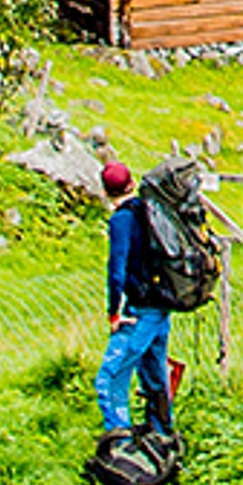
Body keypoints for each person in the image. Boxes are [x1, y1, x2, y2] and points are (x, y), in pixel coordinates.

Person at [96, 159, 175, 440]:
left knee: (109, 379)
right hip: (162, 304)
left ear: (105, 192)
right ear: (132, 183)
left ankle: (121, 444)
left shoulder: (122, 220)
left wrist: (114, 312)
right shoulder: (152, 210)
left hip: (140, 309)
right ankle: (162, 435)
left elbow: (117, 269)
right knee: (154, 373)